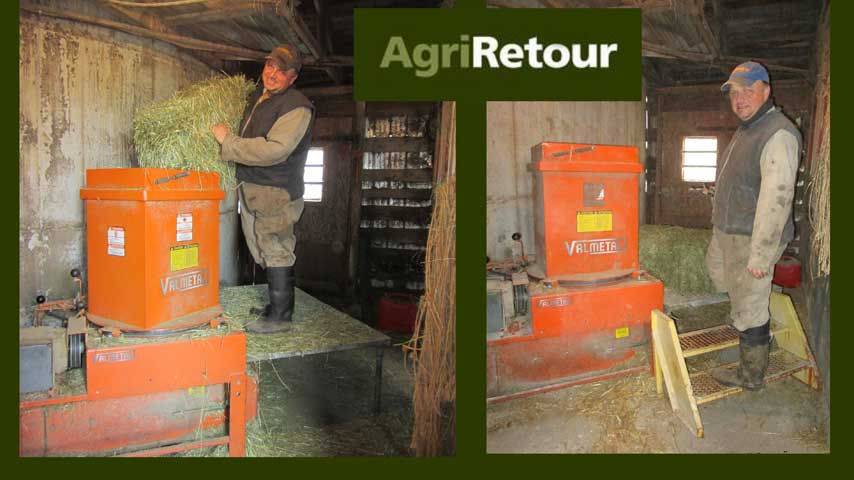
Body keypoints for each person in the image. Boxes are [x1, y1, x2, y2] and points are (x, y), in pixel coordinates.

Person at [706, 61, 801, 390]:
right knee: (724, 280)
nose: (739, 99)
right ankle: (744, 326)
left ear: (767, 91)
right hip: (730, 231)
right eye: (734, 92)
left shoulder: (777, 133)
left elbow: (777, 199)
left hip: (752, 238)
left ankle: (750, 374)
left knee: (751, 303)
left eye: (748, 91)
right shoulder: (748, 128)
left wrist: (761, 256)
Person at [211, 44, 315, 334]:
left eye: (282, 71)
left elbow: (275, 150)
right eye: (270, 66)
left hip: (276, 190)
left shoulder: (296, 107)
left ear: (293, 77)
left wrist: (227, 142)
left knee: (275, 245)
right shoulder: (262, 99)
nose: (273, 73)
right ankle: (275, 306)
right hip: (259, 188)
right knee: (263, 245)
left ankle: (281, 316)